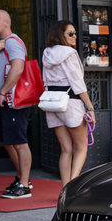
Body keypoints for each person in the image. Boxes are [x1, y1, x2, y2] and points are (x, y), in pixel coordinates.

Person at [42, 20, 96, 187]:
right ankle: (72, 188)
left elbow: (45, 80)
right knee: (81, 147)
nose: (74, 36)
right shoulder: (69, 53)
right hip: (71, 102)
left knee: (65, 149)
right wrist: (90, 107)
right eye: (70, 33)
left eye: (75, 33)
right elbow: (77, 84)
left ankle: (64, 188)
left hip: (53, 103)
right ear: (60, 34)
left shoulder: (47, 52)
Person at [0, 9, 33, 199]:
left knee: (19, 141)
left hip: (14, 99)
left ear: (7, 23)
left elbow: (18, 68)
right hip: (6, 99)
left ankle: (24, 185)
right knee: (5, 140)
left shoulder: (13, 43)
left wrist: (2, 92)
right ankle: (23, 177)